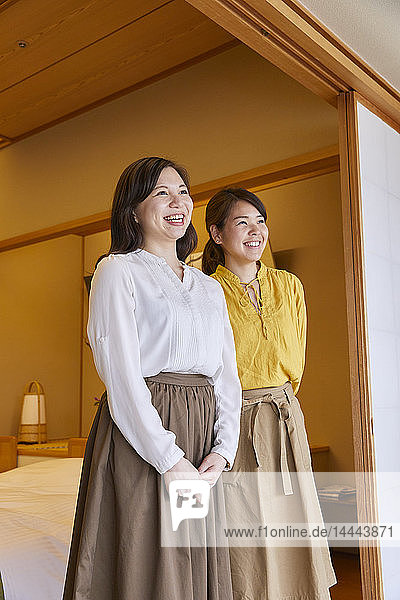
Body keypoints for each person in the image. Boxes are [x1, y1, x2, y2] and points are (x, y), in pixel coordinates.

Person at [62, 158, 242, 600]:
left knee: (192, 559)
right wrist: (170, 460)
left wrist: (222, 451)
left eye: (182, 190)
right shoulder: (117, 271)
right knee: (148, 562)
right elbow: (120, 376)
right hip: (145, 432)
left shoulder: (209, 287)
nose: (178, 201)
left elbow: (226, 376)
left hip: (201, 433)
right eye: (162, 193)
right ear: (133, 209)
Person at [202, 188, 336, 600]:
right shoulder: (205, 293)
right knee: (247, 534)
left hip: (284, 417)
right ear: (217, 234)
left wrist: (283, 408)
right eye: (242, 222)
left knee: (294, 525)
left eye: (260, 221)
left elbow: (297, 358)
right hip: (233, 424)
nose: (255, 231)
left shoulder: (289, 285)